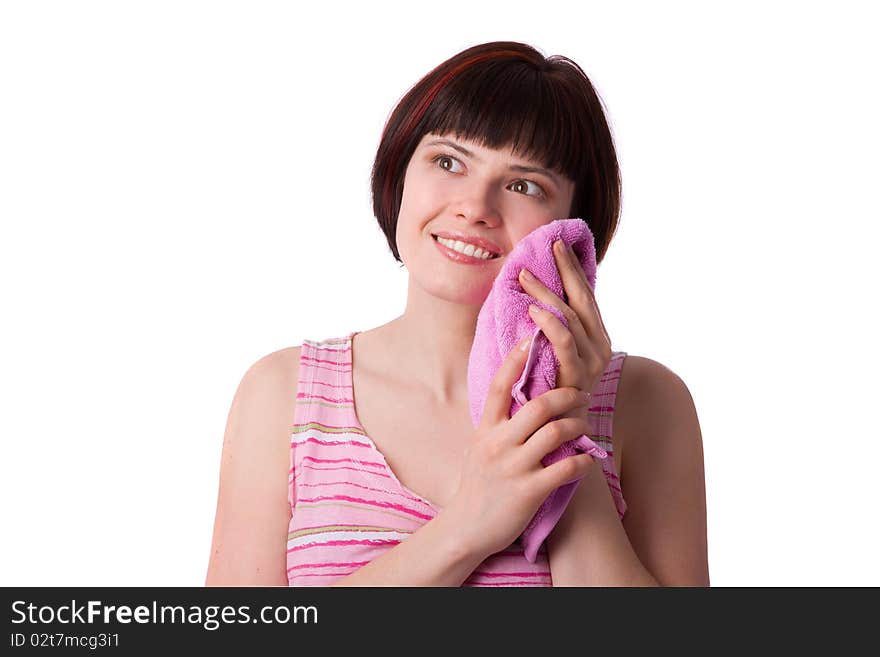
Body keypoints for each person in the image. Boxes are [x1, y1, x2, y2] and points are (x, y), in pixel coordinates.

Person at [205, 41, 709, 587]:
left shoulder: (646, 401)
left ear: (573, 231)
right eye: (448, 161)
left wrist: (556, 426)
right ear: (400, 176)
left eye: (523, 185)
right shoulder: (284, 393)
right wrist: (468, 526)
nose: (475, 207)